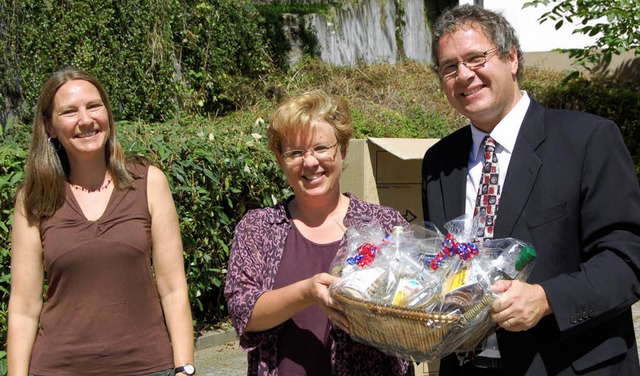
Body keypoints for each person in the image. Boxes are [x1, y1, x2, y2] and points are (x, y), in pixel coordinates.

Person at [421, 4, 640, 376]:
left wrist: (547, 298)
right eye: (449, 67)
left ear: (511, 58)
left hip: (566, 364)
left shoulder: (587, 140)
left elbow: (628, 257)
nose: (464, 75)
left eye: (476, 58)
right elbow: (443, 263)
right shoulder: (439, 162)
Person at [7, 68, 195, 375]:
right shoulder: (34, 198)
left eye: (94, 106)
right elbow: (24, 308)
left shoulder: (148, 182)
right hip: (58, 368)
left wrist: (185, 367)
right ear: (50, 127)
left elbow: (173, 287)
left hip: (147, 367)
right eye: (69, 111)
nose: (85, 119)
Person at [224, 89, 414, 375]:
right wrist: (307, 292)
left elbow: (416, 303)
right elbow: (243, 310)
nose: (310, 162)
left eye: (321, 148)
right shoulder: (258, 229)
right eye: (296, 152)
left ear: (343, 150)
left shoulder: (384, 225)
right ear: (280, 160)